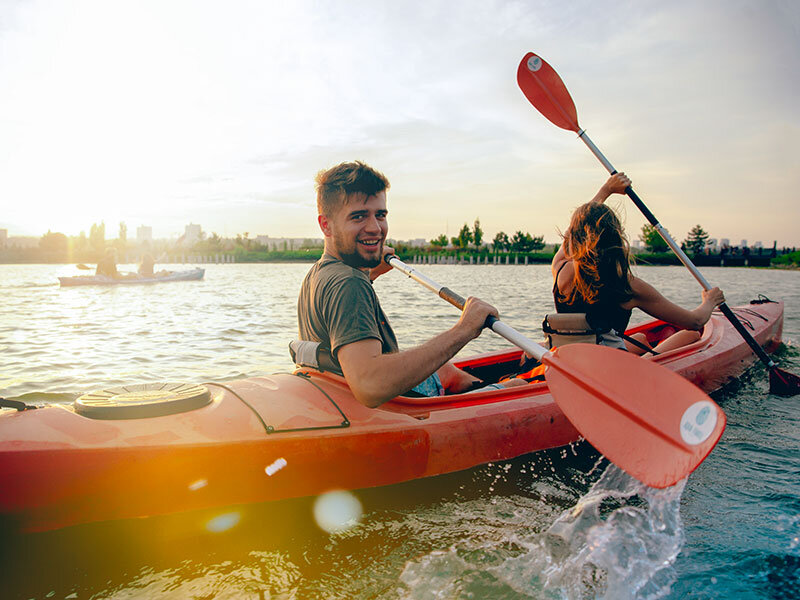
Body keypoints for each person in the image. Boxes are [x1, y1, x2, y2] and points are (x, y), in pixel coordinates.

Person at [297, 161, 524, 408]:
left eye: (380, 215)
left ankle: (480, 391)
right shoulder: (349, 284)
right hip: (391, 412)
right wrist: (465, 328)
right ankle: (498, 391)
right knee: (521, 388)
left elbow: (343, 310)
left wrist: (369, 274)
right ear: (326, 225)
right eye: (359, 216)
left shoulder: (321, 274)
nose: (375, 228)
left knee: (446, 371)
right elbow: (369, 385)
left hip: (341, 399)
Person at [552, 173, 725, 354]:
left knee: (640, 339)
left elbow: (573, 233)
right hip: (607, 366)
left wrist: (606, 190)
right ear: (616, 238)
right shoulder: (628, 286)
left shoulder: (561, 270)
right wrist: (710, 301)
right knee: (689, 336)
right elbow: (695, 321)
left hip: (568, 359)